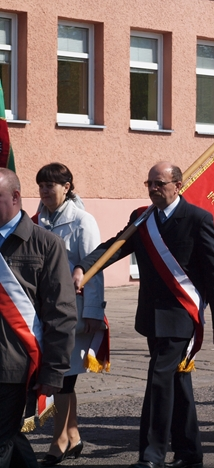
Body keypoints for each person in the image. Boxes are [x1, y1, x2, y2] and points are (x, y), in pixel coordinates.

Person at [74, 162, 214, 468]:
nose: (153, 189)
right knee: (177, 381)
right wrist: (85, 266)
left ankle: (152, 455)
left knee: (158, 379)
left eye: (159, 183)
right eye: (149, 183)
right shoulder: (142, 218)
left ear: (178, 185)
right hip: (151, 315)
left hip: (181, 316)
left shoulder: (198, 219)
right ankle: (189, 454)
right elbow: (116, 247)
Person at [0, 168, 75, 468]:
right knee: (11, 440)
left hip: (15, 366)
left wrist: (54, 372)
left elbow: (61, 313)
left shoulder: (46, 245)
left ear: (16, 197)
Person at [35, 163, 103, 466]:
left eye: (52, 185)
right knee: (64, 375)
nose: (46, 191)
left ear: (67, 186)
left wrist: (93, 311)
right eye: (42, 185)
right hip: (45, 313)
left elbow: (94, 269)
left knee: (63, 377)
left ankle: (58, 440)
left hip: (72, 312)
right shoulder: (38, 221)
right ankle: (73, 435)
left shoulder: (82, 221)